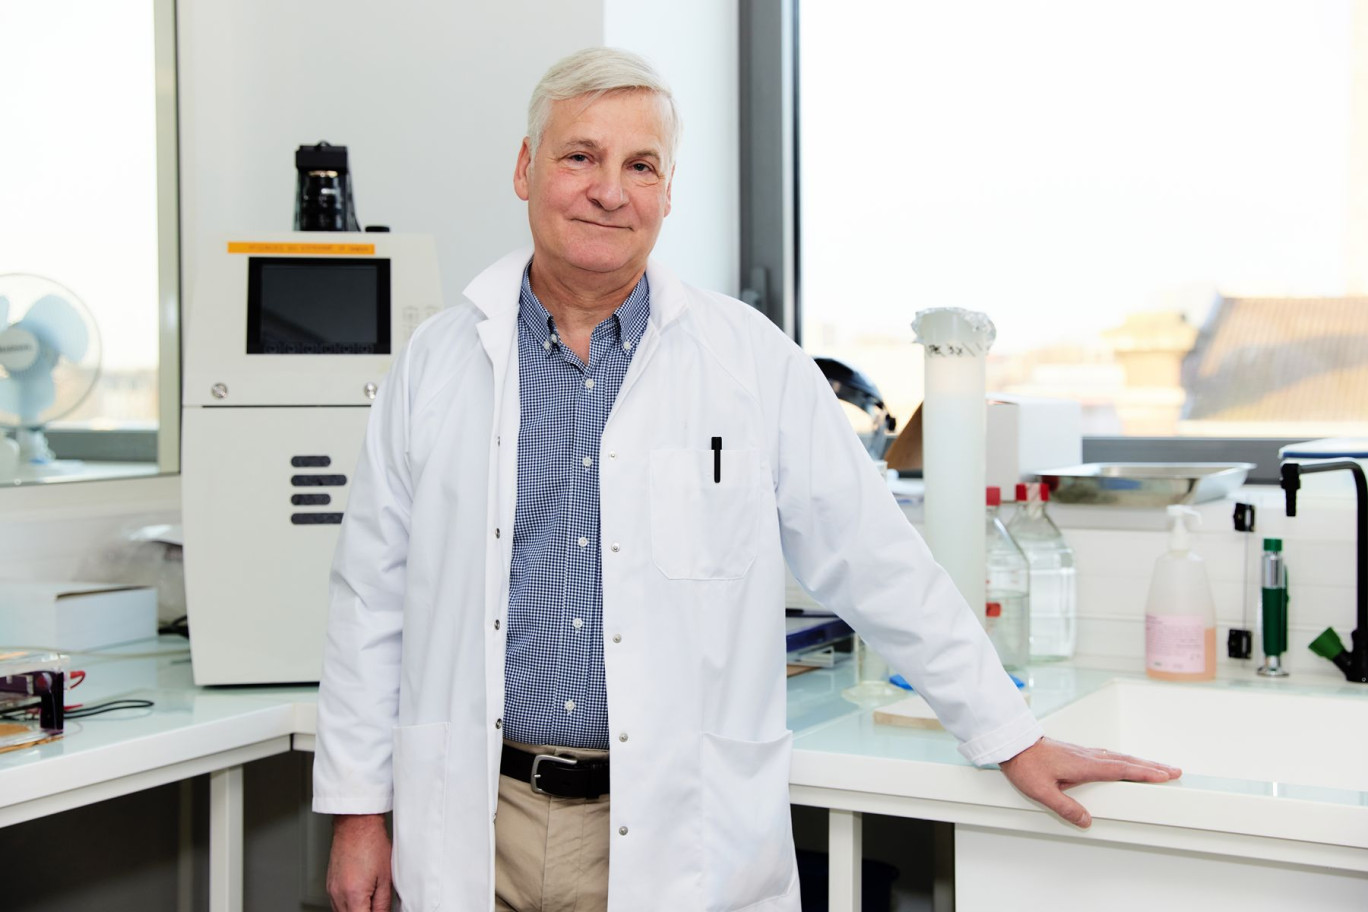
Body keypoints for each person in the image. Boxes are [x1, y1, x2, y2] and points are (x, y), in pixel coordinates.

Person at [313, 47, 1180, 912]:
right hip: (473, 823)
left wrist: (1008, 734)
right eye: (580, 156)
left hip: (670, 835)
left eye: (640, 165)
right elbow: (371, 595)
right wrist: (358, 812)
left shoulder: (750, 362)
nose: (609, 190)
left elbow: (876, 561)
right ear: (525, 167)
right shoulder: (438, 364)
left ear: (667, 189)